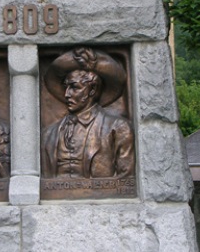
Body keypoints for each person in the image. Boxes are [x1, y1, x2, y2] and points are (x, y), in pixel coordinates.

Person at [42, 47, 135, 179]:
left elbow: (126, 180)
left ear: (92, 90)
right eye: (66, 87)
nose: (66, 94)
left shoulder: (118, 129)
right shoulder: (48, 135)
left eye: (74, 87)